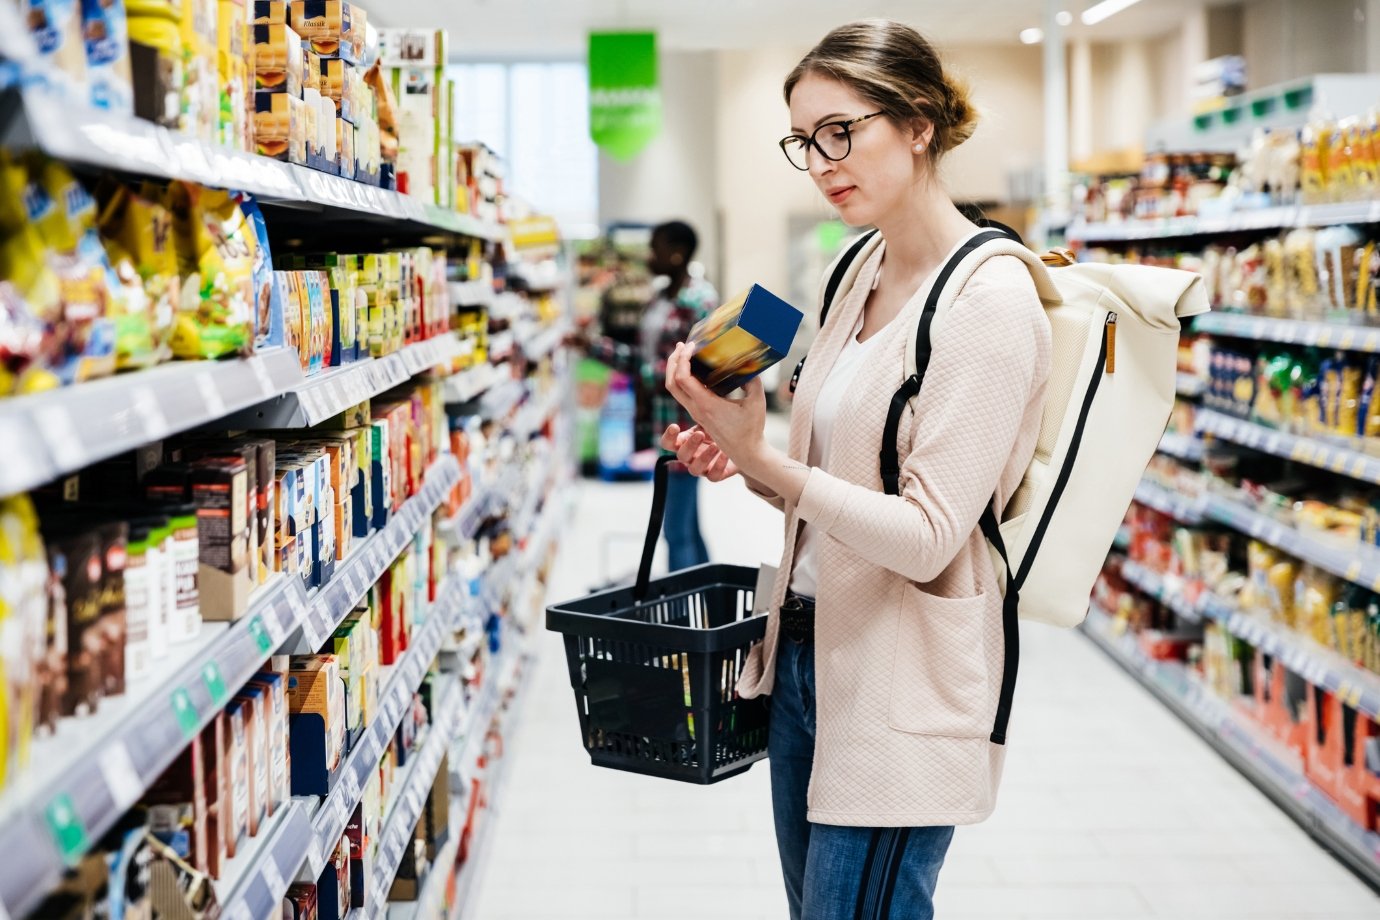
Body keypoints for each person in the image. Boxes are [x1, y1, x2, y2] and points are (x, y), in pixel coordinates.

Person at [659, 20, 1052, 920]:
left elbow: (925, 537)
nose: (823, 161)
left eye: (843, 131)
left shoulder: (988, 301)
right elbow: (824, 483)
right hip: (802, 651)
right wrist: (745, 456)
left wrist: (770, 460)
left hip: (901, 678)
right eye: (805, 142)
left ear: (918, 124)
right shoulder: (854, 268)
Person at [588, 220, 719, 570]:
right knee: (686, 524)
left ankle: (684, 616)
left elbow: (699, 365)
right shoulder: (661, 299)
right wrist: (591, 346)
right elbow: (642, 361)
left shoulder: (699, 300)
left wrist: (648, 375)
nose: (648, 256)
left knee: (676, 530)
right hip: (663, 424)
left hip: (688, 425)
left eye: (655, 248)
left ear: (677, 253)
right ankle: (709, 602)